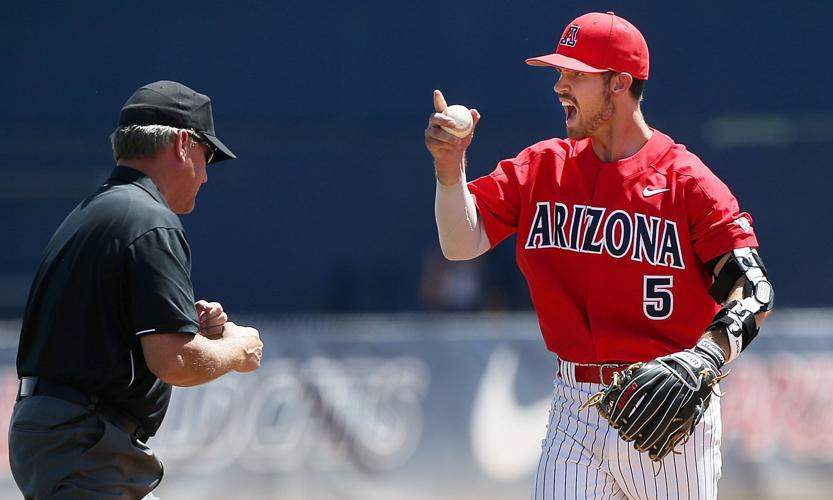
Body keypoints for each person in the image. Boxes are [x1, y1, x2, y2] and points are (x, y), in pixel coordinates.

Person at [424, 11, 774, 500]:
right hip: (575, 407)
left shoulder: (687, 183)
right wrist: (449, 166)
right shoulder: (543, 167)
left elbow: (754, 290)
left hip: (666, 408)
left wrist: (705, 358)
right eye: (560, 72)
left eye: (575, 74)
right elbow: (460, 243)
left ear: (620, 83)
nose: (559, 85)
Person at [9, 80, 264, 499]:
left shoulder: (97, 212)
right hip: (85, 442)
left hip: (67, 435)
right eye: (207, 156)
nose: (205, 176)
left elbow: (100, 336)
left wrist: (185, 327)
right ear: (183, 143)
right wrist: (238, 349)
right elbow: (175, 362)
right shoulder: (150, 220)